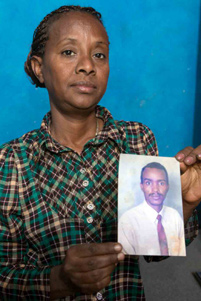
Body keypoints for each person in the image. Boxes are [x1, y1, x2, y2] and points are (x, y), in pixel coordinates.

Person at [0, 5, 200, 301]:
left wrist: (183, 204)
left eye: (99, 54)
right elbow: (5, 275)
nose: (87, 66)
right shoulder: (10, 163)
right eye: (69, 52)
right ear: (39, 68)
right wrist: (60, 279)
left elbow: (153, 254)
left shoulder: (137, 140)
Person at [118, 162, 186, 256]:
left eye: (161, 183)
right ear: (142, 186)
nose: (155, 190)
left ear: (167, 186)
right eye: (148, 183)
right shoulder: (127, 221)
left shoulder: (175, 216)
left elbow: (181, 253)